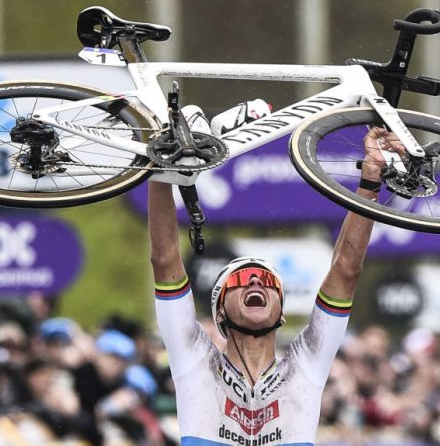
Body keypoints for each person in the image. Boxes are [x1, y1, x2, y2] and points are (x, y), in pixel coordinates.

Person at [148, 126, 402, 444]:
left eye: (268, 282)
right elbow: (165, 259)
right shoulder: (195, 360)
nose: (256, 280)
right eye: (240, 280)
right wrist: (159, 170)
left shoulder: (305, 365)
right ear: (220, 314)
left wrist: (369, 183)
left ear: (281, 313)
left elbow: (346, 270)